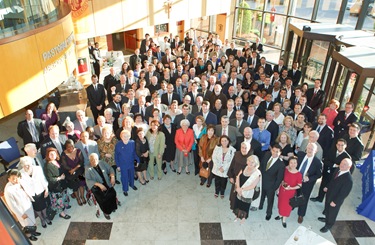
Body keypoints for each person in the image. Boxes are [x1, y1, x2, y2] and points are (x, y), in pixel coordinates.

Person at [318, 158, 353, 233]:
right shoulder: (338, 169)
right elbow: (332, 180)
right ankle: (327, 218)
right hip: (329, 194)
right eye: (342, 163)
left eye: (345, 164)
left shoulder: (348, 179)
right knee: (327, 208)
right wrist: (327, 186)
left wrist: (335, 201)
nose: (342, 165)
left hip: (335, 199)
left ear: (349, 167)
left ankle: (329, 225)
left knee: (332, 212)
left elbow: (343, 194)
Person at [4, 169, 41, 241]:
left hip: (28, 205)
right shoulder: (8, 190)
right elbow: (12, 205)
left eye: (17, 177)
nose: (16, 180)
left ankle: (33, 231)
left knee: (32, 220)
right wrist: (21, 214)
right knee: (26, 224)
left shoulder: (19, 181)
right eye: (13, 179)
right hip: (22, 210)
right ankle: (29, 235)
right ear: (9, 179)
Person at [311, 138, 351, 203]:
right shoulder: (331, 151)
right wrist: (334, 165)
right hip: (327, 172)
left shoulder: (347, 157)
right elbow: (325, 160)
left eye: (342, 145)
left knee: (332, 188)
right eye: (338, 145)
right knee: (323, 184)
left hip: (336, 175)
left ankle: (329, 202)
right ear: (336, 145)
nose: (340, 146)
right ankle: (319, 198)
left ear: (345, 146)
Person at [18, 156, 51, 228]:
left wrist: (46, 189)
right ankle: (42, 219)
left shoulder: (37, 168)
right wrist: (28, 196)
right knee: (37, 208)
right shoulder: (20, 173)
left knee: (43, 205)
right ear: (22, 165)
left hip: (40, 190)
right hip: (32, 194)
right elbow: (23, 186)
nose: (28, 167)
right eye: (25, 166)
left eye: (29, 165)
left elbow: (43, 179)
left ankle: (45, 216)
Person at [85, 153, 118, 220]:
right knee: (103, 199)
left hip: (106, 182)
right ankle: (106, 212)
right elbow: (88, 180)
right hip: (96, 187)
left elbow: (110, 168)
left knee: (112, 193)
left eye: (95, 159)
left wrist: (112, 176)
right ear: (90, 160)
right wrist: (99, 184)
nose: (94, 161)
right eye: (92, 160)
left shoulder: (101, 162)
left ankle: (112, 207)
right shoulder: (88, 168)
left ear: (98, 159)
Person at [296, 143, 323, 224]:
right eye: (309, 148)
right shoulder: (300, 155)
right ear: (306, 148)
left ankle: (301, 215)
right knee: (294, 194)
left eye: (312, 149)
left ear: (315, 151)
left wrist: (309, 178)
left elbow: (319, 175)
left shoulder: (317, 162)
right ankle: (293, 206)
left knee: (304, 198)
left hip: (307, 184)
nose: (310, 150)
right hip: (296, 181)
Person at [259, 144, 285, 220]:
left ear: (280, 153)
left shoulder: (281, 164)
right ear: (271, 150)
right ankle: (260, 205)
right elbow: (262, 164)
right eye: (273, 151)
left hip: (271, 185)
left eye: (277, 152)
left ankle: (269, 213)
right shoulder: (267, 154)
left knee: (270, 200)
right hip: (262, 180)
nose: (275, 153)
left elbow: (279, 178)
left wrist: (274, 188)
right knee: (261, 195)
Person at [233, 155, 261, 224]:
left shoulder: (257, 173)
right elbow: (238, 177)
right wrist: (238, 187)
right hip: (240, 189)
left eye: (252, 162)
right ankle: (237, 215)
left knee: (245, 206)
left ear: (256, 164)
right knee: (238, 203)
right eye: (249, 161)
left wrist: (241, 189)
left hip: (248, 192)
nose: (250, 163)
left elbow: (252, 186)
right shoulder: (244, 167)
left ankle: (243, 218)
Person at [275, 156, 302, 228]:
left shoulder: (299, 174)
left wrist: (291, 188)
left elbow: (299, 185)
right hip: (282, 190)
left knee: (287, 207)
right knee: (280, 203)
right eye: (291, 163)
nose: (293, 164)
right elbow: (282, 179)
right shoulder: (286, 170)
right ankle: (280, 215)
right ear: (289, 163)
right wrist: (279, 187)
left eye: (294, 163)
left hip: (290, 193)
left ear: (297, 163)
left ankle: (284, 220)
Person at [44, 147, 71, 219]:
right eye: (51, 154)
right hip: (56, 187)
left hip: (62, 184)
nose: (53, 155)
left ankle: (65, 206)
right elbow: (50, 179)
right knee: (59, 201)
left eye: (54, 154)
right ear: (48, 155)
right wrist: (59, 178)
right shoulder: (48, 166)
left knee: (64, 196)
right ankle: (62, 214)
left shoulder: (57, 161)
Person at [60, 139, 86, 206]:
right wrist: (71, 170)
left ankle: (82, 196)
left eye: (71, 146)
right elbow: (65, 166)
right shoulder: (63, 154)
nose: (70, 148)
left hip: (79, 169)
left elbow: (81, 162)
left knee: (81, 183)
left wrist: (74, 169)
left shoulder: (78, 151)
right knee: (75, 186)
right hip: (69, 172)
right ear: (66, 147)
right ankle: (78, 198)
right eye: (68, 147)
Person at [227, 142, 252, 209]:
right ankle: (233, 205)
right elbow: (232, 165)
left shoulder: (251, 158)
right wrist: (231, 176)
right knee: (233, 194)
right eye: (242, 148)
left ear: (249, 149)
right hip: (235, 177)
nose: (243, 149)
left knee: (241, 195)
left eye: (245, 148)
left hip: (244, 180)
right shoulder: (237, 154)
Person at [115, 130, 140, 196]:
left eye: (127, 136)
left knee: (131, 175)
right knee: (124, 177)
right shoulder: (118, 144)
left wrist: (137, 160)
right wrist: (118, 165)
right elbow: (116, 155)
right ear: (121, 137)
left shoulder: (132, 143)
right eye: (124, 136)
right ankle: (125, 189)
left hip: (131, 163)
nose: (125, 137)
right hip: (123, 165)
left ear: (130, 136)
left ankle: (132, 184)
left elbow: (134, 153)